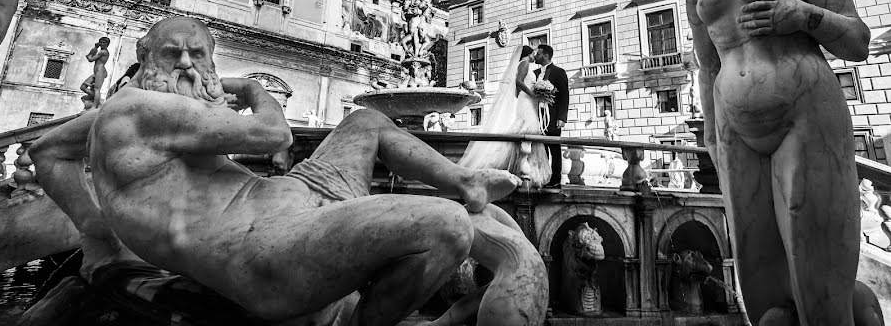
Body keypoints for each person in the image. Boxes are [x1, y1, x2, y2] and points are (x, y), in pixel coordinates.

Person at [31, 17, 544, 325]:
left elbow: (47, 150)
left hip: (288, 199)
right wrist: (253, 89)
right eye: (172, 53)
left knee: (365, 121)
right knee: (447, 227)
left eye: (198, 53)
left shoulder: (127, 114)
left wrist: (96, 231)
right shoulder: (138, 106)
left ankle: (466, 181)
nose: (188, 64)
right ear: (146, 59)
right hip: (261, 246)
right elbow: (274, 135)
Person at [687, 0, 879, 325]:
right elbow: (708, 66)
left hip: (806, 111)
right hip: (734, 130)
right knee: (764, 296)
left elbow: (858, 41)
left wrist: (803, 14)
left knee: (820, 284)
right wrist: (713, 138)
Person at [458, 45, 552, 189]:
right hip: (527, 101)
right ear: (527, 54)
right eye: (534, 53)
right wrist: (533, 94)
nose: (535, 55)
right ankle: (525, 171)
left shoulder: (525, 64)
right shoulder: (525, 63)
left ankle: (524, 169)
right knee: (528, 129)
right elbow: (519, 82)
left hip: (528, 101)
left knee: (528, 131)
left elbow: (519, 87)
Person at [533, 44, 569, 188]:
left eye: (539, 54)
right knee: (542, 149)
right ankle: (544, 177)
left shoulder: (559, 72)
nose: (536, 56)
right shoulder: (534, 74)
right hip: (536, 117)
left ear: (546, 56)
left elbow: (564, 96)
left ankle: (555, 180)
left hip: (553, 117)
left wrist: (562, 117)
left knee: (554, 148)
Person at [80, 37, 110, 108]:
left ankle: (94, 105)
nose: (102, 44)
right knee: (83, 87)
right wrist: (95, 48)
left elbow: (90, 59)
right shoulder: (100, 51)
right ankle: (96, 98)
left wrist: (89, 55)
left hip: (100, 71)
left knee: (97, 89)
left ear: (107, 44)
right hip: (96, 72)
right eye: (101, 42)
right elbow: (91, 55)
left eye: (104, 42)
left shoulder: (103, 52)